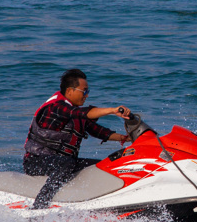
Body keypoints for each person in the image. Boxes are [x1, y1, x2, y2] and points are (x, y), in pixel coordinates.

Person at [23, 69, 131, 207]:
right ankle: (40, 204)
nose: (86, 95)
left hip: (62, 161)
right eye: (84, 91)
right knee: (66, 163)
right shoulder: (55, 107)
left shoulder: (74, 112)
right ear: (69, 91)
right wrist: (112, 110)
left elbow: (99, 131)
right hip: (35, 162)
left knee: (103, 166)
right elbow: (81, 113)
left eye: (88, 91)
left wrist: (125, 138)